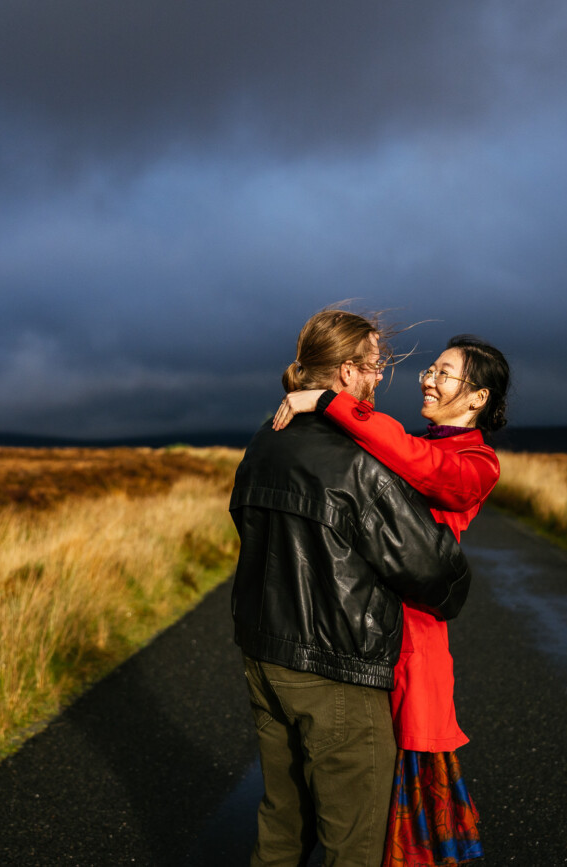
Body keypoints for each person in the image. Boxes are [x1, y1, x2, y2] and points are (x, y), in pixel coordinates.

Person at [230, 307, 474, 867]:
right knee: (356, 841)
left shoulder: (264, 441)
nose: (380, 376)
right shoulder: (360, 461)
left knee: (282, 824)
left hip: (263, 655)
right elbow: (436, 572)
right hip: (336, 668)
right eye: (374, 365)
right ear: (344, 373)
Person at [272, 334, 511, 867]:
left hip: (411, 644)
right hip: (354, 627)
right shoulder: (402, 439)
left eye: (444, 373)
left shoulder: (477, 462)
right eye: (431, 368)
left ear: (477, 399)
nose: (428, 378)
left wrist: (329, 401)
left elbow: (427, 468)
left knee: (400, 800)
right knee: (346, 792)